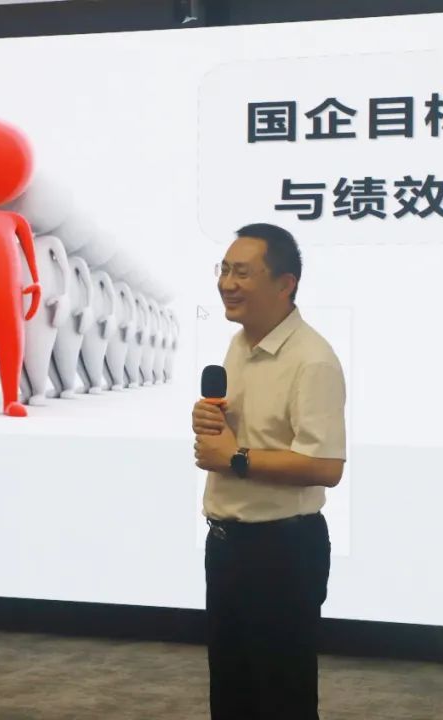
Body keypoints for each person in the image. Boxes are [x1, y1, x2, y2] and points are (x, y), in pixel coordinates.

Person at [192, 223, 347, 720]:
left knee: (281, 701)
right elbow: (250, 434)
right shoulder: (239, 346)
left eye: (242, 273)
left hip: (281, 553)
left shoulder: (312, 360)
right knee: (232, 697)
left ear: (285, 284)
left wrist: (235, 458)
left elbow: (326, 465)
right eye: (224, 270)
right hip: (228, 545)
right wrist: (212, 425)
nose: (227, 283)